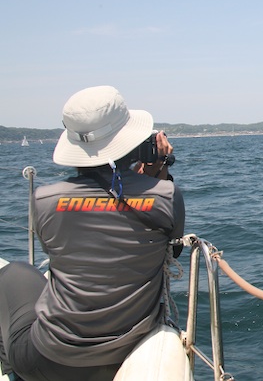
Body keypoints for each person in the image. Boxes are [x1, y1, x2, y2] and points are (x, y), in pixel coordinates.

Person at [0, 85, 185, 381]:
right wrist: (158, 171)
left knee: (13, 273)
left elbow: (62, 250)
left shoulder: (44, 199)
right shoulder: (166, 195)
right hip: (122, 354)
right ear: (133, 142)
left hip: (47, 362)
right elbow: (171, 249)